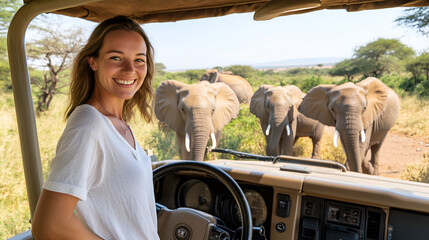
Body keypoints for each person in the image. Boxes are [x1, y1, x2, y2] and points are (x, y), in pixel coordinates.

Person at [31, 16, 160, 240]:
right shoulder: (88, 125)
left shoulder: (118, 124)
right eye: (116, 58)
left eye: (139, 60)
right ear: (93, 62)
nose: (130, 69)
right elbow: (49, 225)